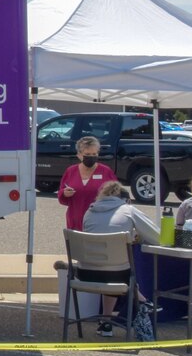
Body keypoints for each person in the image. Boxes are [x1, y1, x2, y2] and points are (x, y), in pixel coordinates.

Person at [77, 180, 153, 335]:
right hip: (117, 275)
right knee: (121, 269)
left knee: (110, 265)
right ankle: (144, 301)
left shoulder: (89, 212)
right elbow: (156, 236)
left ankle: (106, 322)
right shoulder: (128, 210)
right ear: (124, 199)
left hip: (85, 274)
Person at [58, 136, 112, 232]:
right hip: (75, 222)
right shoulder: (71, 171)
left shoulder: (106, 171)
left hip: (99, 222)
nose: (91, 157)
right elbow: (61, 196)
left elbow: (117, 196)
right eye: (87, 154)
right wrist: (64, 193)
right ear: (79, 154)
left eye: (94, 154)